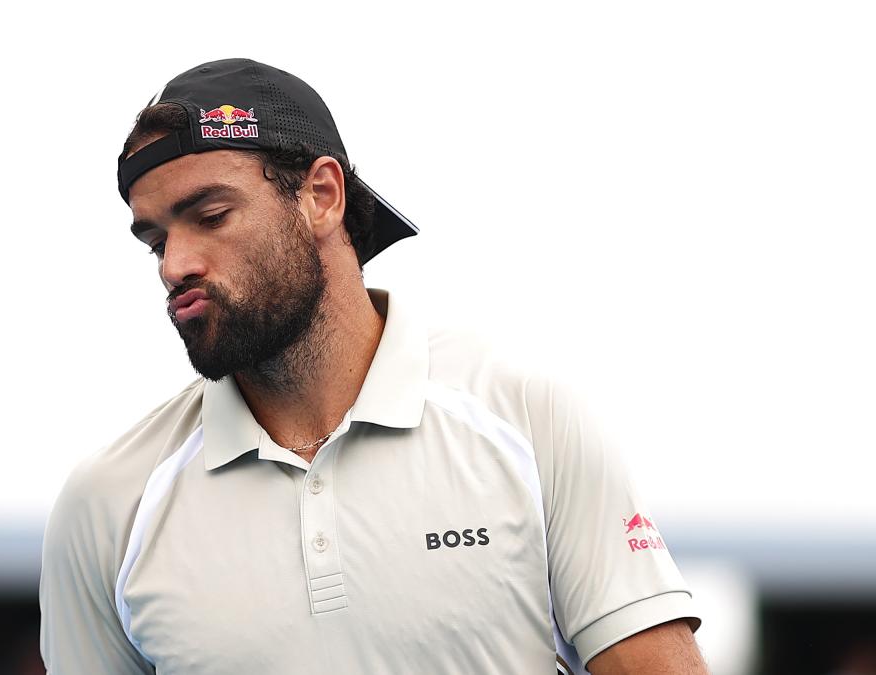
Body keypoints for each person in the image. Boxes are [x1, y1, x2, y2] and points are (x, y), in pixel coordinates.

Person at [39, 57, 706, 674]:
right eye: (155, 240)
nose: (173, 265)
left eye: (210, 216)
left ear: (322, 195)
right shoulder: (107, 504)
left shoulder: (526, 418)